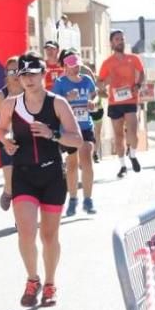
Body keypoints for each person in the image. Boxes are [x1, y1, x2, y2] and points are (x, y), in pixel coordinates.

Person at [0, 53, 83, 307]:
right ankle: (32, 280)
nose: (28, 79)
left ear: (43, 74)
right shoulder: (10, 104)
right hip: (24, 175)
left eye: (33, 74)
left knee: (48, 236)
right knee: (25, 232)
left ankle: (50, 283)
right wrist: (6, 141)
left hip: (53, 176)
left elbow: (77, 140)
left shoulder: (58, 104)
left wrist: (52, 133)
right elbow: (1, 129)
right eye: (23, 75)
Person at [52, 49, 99, 215]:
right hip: (69, 129)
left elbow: (95, 95)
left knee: (86, 158)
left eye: (77, 65)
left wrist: (93, 102)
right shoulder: (60, 83)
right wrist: (67, 99)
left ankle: (88, 200)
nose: (76, 69)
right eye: (72, 66)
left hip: (86, 126)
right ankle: (73, 199)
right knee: (72, 163)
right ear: (66, 66)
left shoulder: (86, 80)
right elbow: (54, 105)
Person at [98, 30, 146, 178]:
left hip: (131, 100)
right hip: (115, 103)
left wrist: (138, 85)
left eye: (122, 39)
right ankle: (122, 166)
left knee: (132, 130)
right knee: (118, 136)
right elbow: (99, 82)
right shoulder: (107, 63)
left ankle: (132, 154)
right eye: (117, 39)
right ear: (112, 43)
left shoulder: (134, 58)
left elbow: (142, 73)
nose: (121, 41)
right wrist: (104, 88)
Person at [0, 56, 24, 211]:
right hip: (6, 142)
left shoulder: (30, 92)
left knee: (24, 183)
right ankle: (8, 191)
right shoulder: (2, 95)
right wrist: (2, 130)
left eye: (18, 70)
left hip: (26, 141)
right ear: (6, 74)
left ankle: (20, 220)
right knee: (12, 183)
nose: (15, 74)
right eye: (11, 71)